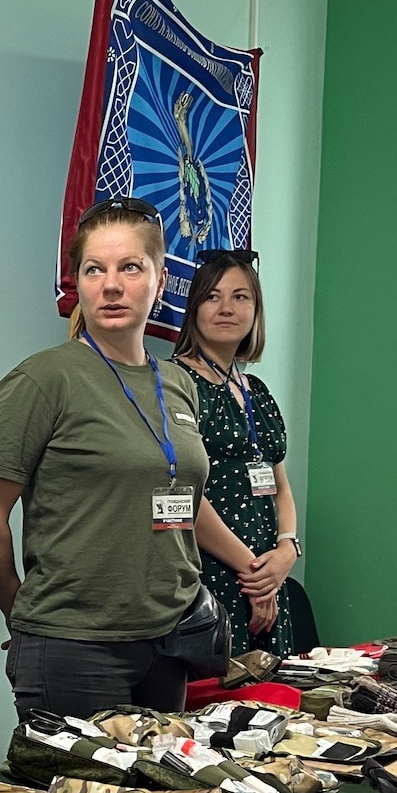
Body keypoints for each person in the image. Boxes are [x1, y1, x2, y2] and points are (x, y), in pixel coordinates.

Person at [0, 198, 211, 720]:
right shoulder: (43, 379)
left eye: (131, 268)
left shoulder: (178, 383)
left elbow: (183, 494)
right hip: (74, 646)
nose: (111, 285)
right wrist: (22, 611)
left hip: (170, 640)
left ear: (160, 281)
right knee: (77, 779)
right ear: (78, 283)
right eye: (95, 269)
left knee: (163, 775)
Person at [171, 250, 302, 656]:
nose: (226, 308)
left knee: (269, 693)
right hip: (209, 577)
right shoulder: (175, 382)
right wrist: (254, 573)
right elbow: (181, 494)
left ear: (256, 310)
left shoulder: (256, 390)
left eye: (240, 296)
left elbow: (280, 486)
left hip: (267, 576)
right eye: (212, 296)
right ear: (194, 309)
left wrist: (287, 550)